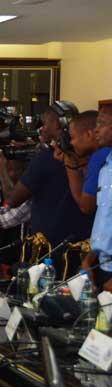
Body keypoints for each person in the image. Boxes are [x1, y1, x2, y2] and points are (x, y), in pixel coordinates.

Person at [1, 106, 93, 259]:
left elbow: (12, 199)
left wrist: (2, 167)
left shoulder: (45, 159)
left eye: (44, 124)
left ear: (57, 124)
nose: (40, 129)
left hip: (49, 249)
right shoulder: (90, 157)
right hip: (85, 247)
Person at [56, 110, 109, 215]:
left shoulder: (99, 157)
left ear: (89, 135)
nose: (71, 142)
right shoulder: (106, 153)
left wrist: (69, 163)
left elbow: (86, 206)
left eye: (72, 137)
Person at [84, 103, 112, 291]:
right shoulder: (105, 168)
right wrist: (88, 260)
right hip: (101, 267)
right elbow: (104, 220)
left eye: (101, 123)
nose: (95, 130)